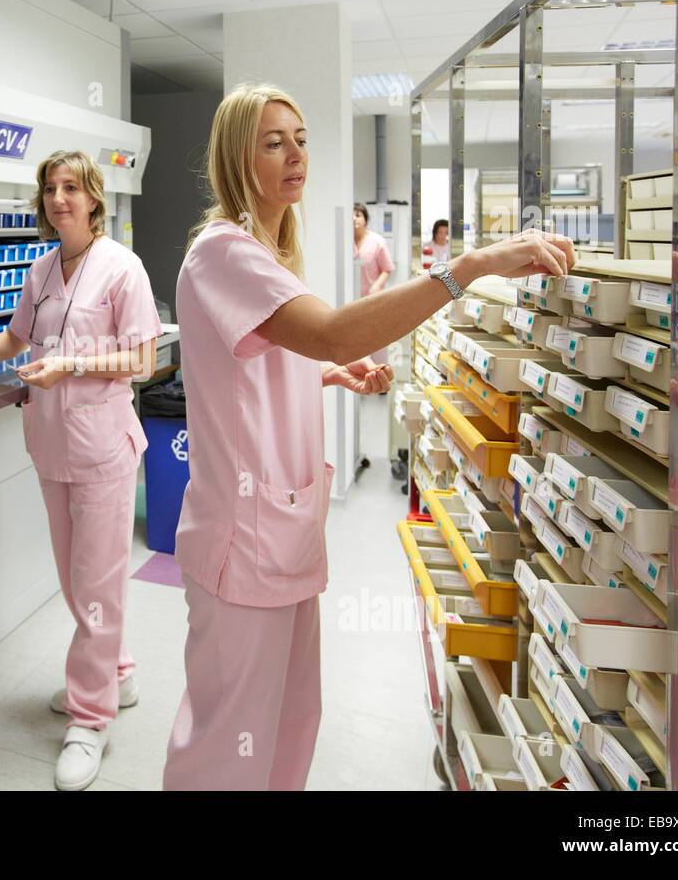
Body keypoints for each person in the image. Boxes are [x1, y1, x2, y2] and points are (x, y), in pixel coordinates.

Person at [162, 83, 575, 791]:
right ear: (237, 158)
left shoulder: (264, 249)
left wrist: (325, 376)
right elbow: (329, 330)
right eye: (273, 142)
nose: (296, 154)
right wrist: (465, 269)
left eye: (300, 138)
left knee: (291, 727)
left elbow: (249, 372)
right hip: (244, 542)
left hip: (283, 533)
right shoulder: (223, 252)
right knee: (229, 751)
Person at [0, 149, 161, 792]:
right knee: (77, 579)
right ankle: (116, 672)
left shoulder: (122, 269)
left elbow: (145, 358)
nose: (59, 198)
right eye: (50, 188)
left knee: (98, 585)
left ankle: (91, 718)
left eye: (72, 187)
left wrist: (70, 366)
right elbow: (17, 341)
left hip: (101, 446)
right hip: (51, 444)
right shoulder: (41, 269)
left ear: (95, 199)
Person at [352, 202, 395, 366]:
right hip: (352, 301)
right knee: (356, 340)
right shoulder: (344, 241)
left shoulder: (377, 241)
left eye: (358, 215)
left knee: (376, 340)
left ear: (365, 219)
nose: (354, 219)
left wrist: (377, 285)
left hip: (373, 299)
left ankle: (380, 376)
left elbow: (387, 269)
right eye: (352, 215)